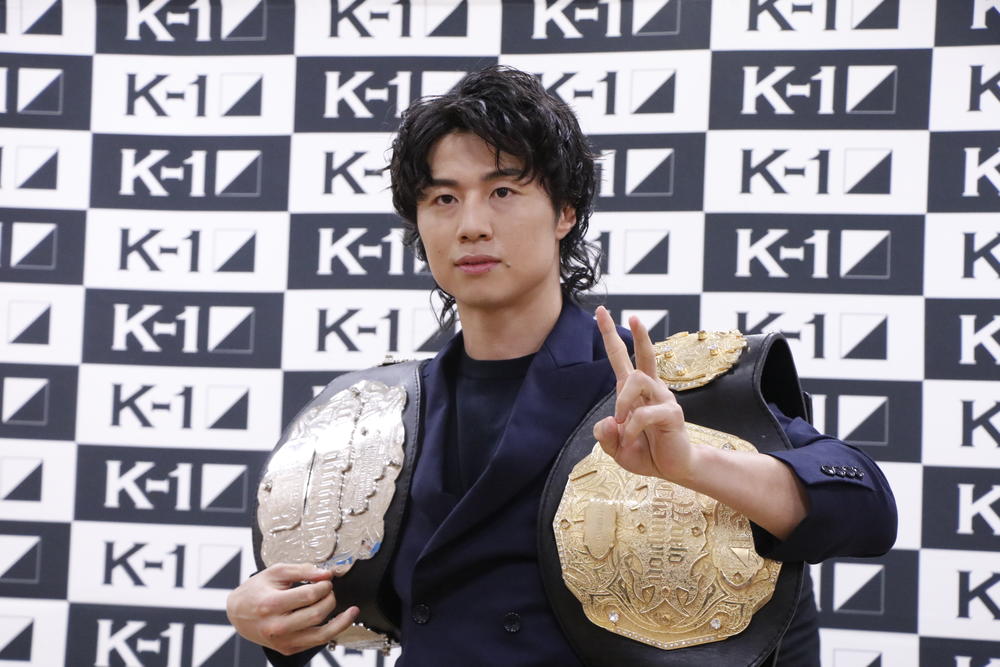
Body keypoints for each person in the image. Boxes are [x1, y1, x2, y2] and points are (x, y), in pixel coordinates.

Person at [227, 65, 897, 666]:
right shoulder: (382, 414)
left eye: (503, 191)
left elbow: (866, 509)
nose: (471, 225)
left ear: (565, 213)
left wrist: (694, 463)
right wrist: (264, 617)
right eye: (443, 199)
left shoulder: (658, 392)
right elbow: (333, 593)